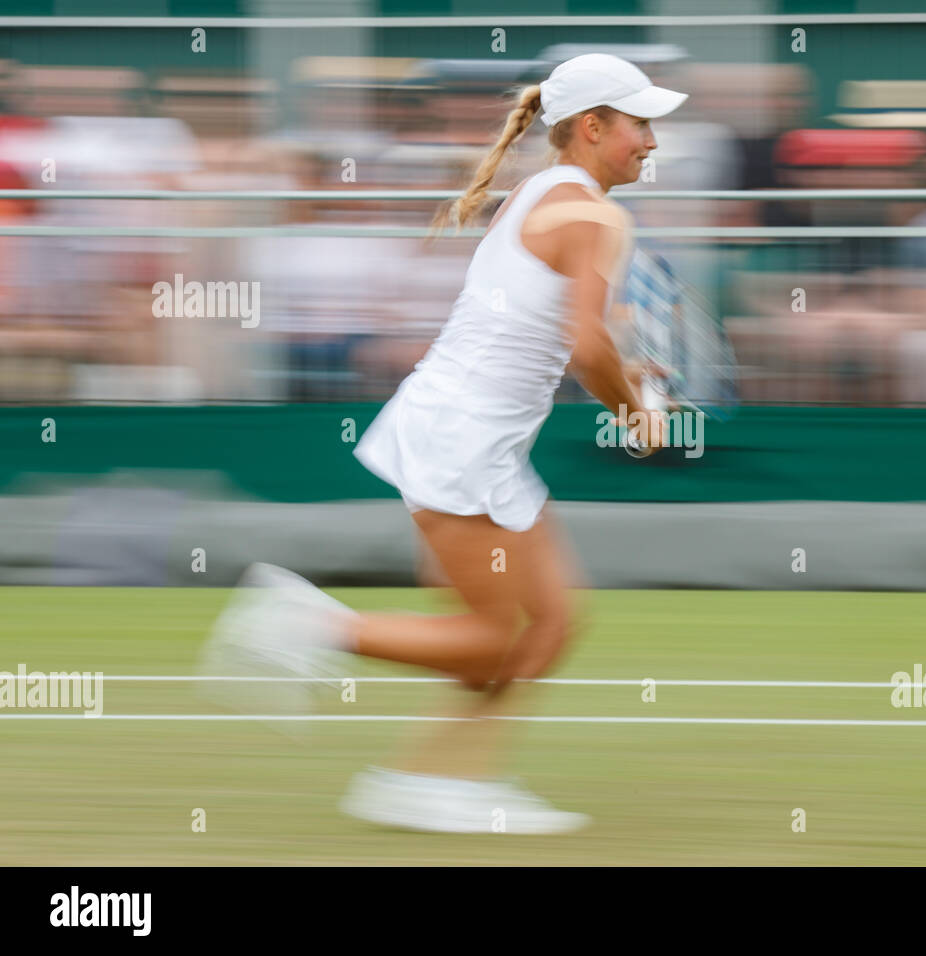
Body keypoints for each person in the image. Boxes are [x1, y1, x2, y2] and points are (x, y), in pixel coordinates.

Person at [201, 53, 685, 834]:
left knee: (552, 624)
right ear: (592, 128)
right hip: (461, 442)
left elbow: (572, 328)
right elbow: (586, 341)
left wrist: (630, 372)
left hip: (461, 436)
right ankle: (309, 627)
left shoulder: (550, 196)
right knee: (492, 637)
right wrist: (635, 411)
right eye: (640, 125)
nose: (652, 142)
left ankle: (436, 779)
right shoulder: (593, 216)